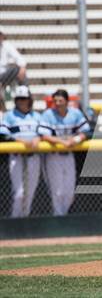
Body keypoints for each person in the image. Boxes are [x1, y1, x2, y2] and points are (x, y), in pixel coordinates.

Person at [38, 89, 90, 216]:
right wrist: (63, 142)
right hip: (53, 156)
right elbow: (44, 136)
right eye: (55, 101)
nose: (58, 103)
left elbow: (85, 131)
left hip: (69, 155)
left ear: (67, 101)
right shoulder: (48, 114)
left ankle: (64, 216)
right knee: (57, 191)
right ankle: (58, 217)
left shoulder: (75, 113)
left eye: (61, 100)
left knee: (69, 192)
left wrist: (75, 139)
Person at [0, 86, 41, 218]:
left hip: (33, 156)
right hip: (17, 156)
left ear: (30, 100)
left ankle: (25, 221)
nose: (22, 101)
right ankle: (15, 221)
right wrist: (21, 141)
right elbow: (3, 135)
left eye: (24, 99)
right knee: (19, 194)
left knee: (29, 193)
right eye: (19, 99)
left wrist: (38, 137)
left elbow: (47, 132)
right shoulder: (9, 116)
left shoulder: (37, 116)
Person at [0, 27, 28, 110]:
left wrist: (22, 68)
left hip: (4, 75)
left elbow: (19, 58)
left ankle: (25, 94)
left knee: (18, 70)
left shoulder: (6, 45)